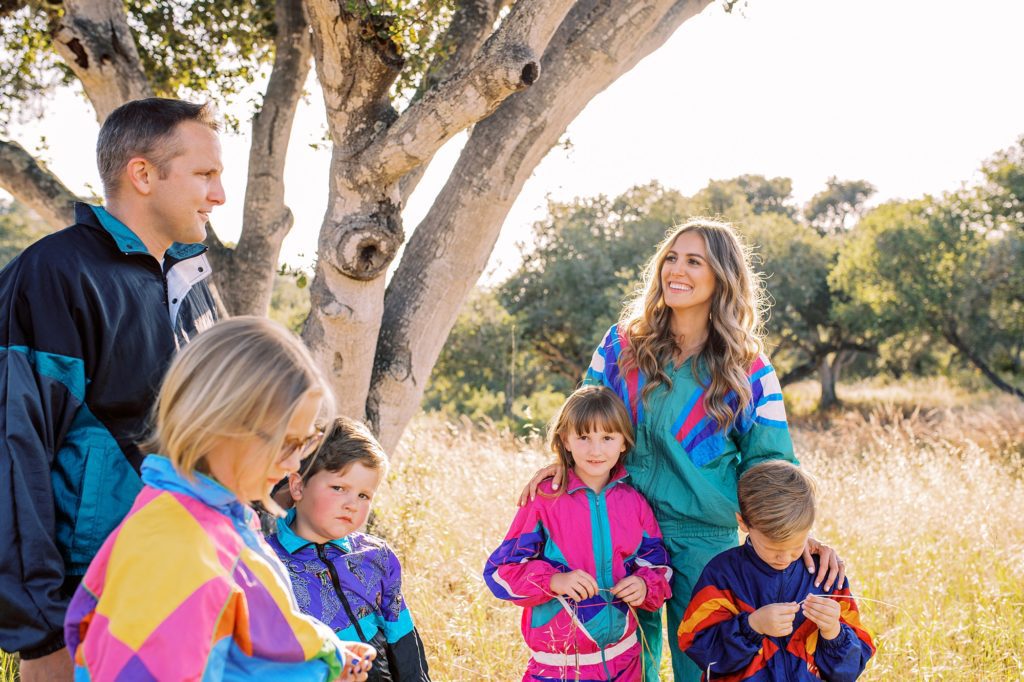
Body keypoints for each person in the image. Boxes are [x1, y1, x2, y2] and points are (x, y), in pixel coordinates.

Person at [521, 218, 845, 681]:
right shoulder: (620, 346)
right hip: (620, 532)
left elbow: (772, 465)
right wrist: (559, 468)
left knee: (707, 667)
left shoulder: (748, 369)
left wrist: (795, 534)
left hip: (706, 543)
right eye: (671, 257)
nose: (677, 269)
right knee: (628, 664)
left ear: (722, 278)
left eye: (695, 261)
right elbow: (584, 419)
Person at [0, 97, 225, 678]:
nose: (219, 195)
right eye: (205, 175)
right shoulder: (52, 278)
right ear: (143, 174)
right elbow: (10, 454)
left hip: (194, 594)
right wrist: (42, 635)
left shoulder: (196, 286)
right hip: (90, 612)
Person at [63, 316, 375, 681]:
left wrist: (325, 659)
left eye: (305, 443)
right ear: (221, 424)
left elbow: (243, 639)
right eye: (285, 442)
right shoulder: (177, 548)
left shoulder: (218, 518)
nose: (294, 463)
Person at [486, 385, 673, 681]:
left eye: (607, 437)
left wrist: (644, 585)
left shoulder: (634, 503)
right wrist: (555, 581)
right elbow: (501, 572)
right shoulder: (545, 499)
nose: (595, 450)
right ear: (566, 440)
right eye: (584, 437)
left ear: (624, 442)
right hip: (557, 667)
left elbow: (659, 567)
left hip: (624, 662)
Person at [267, 416, 432, 682]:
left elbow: (403, 642)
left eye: (363, 495)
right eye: (339, 488)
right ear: (298, 486)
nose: (352, 504)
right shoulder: (268, 563)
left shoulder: (376, 556)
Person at [677, 460, 875, 680]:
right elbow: (699, 648)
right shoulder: (722, 575)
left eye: (795, 547)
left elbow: (850, 670)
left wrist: (834, 634)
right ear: (743, 523)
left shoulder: (826, 576)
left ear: (809, 530)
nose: (784, 558)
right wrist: (752, 626)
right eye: (772, 548)